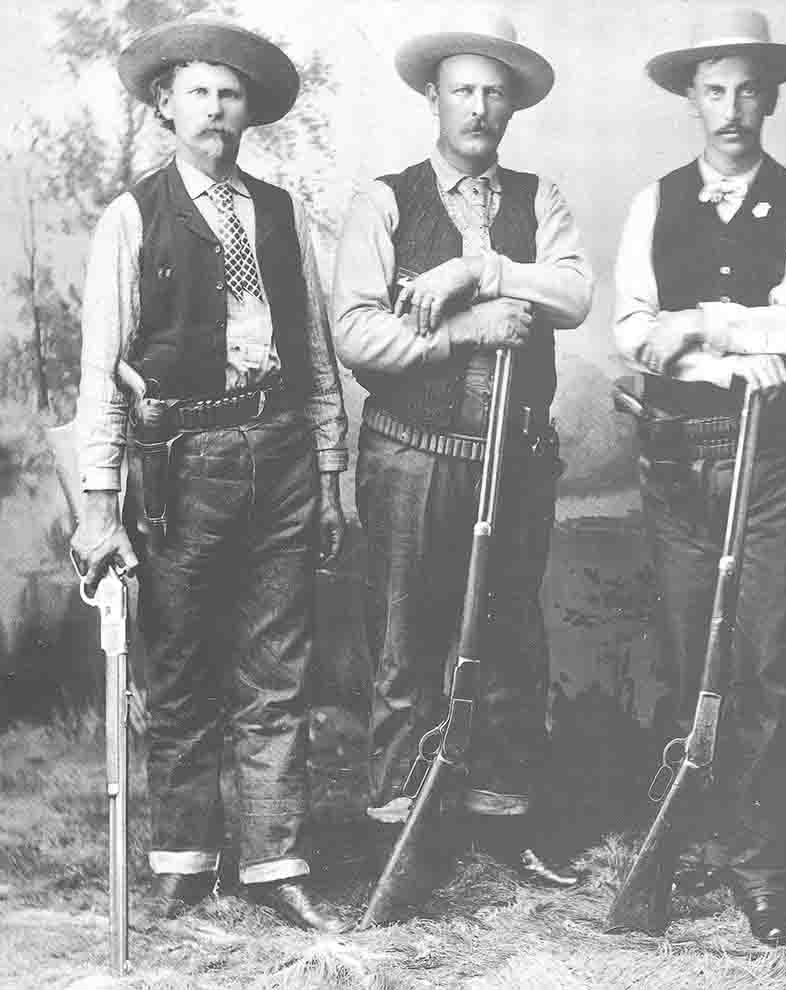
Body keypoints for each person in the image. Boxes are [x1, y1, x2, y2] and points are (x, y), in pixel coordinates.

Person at [71, 15, 349, 931]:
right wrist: (100, 508)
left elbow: (310, 350)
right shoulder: (132, 217)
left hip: (278, 454)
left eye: (231, 94)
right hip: (178, 467)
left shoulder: (279, 213)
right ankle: (184, 862)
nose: (216, 108)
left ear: (248, 113)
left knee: (277, 669)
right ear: (165, 105)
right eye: (199, 90)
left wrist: (332, 471)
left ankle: (275, 863)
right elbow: (101, 373)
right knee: (183, 665)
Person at [332, 9, 593, 886]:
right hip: (412, 452)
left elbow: (575, 294)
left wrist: (484, 269)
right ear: (433, 99)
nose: (478, 107)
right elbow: (357, 335)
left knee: (511, 640)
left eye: (494, 92)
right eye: (463, 91)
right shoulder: (385, 199)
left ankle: (502, 825)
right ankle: (399, 839)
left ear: (513, 106)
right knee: (408, 646)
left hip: (515, 457)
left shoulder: (539, 199)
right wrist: (463, 332)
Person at [612, 7, 786, 946]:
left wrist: (700, 324)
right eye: (715, 89)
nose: (733, 107)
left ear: (773, 98)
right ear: (690, 100)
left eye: (749, 88)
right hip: (674, 454)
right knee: (681, 661)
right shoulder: (653, 200)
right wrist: (739, 341)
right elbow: (631, 335)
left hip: (773, 459)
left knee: (770, 664)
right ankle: (665, 857)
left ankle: (761, 870)